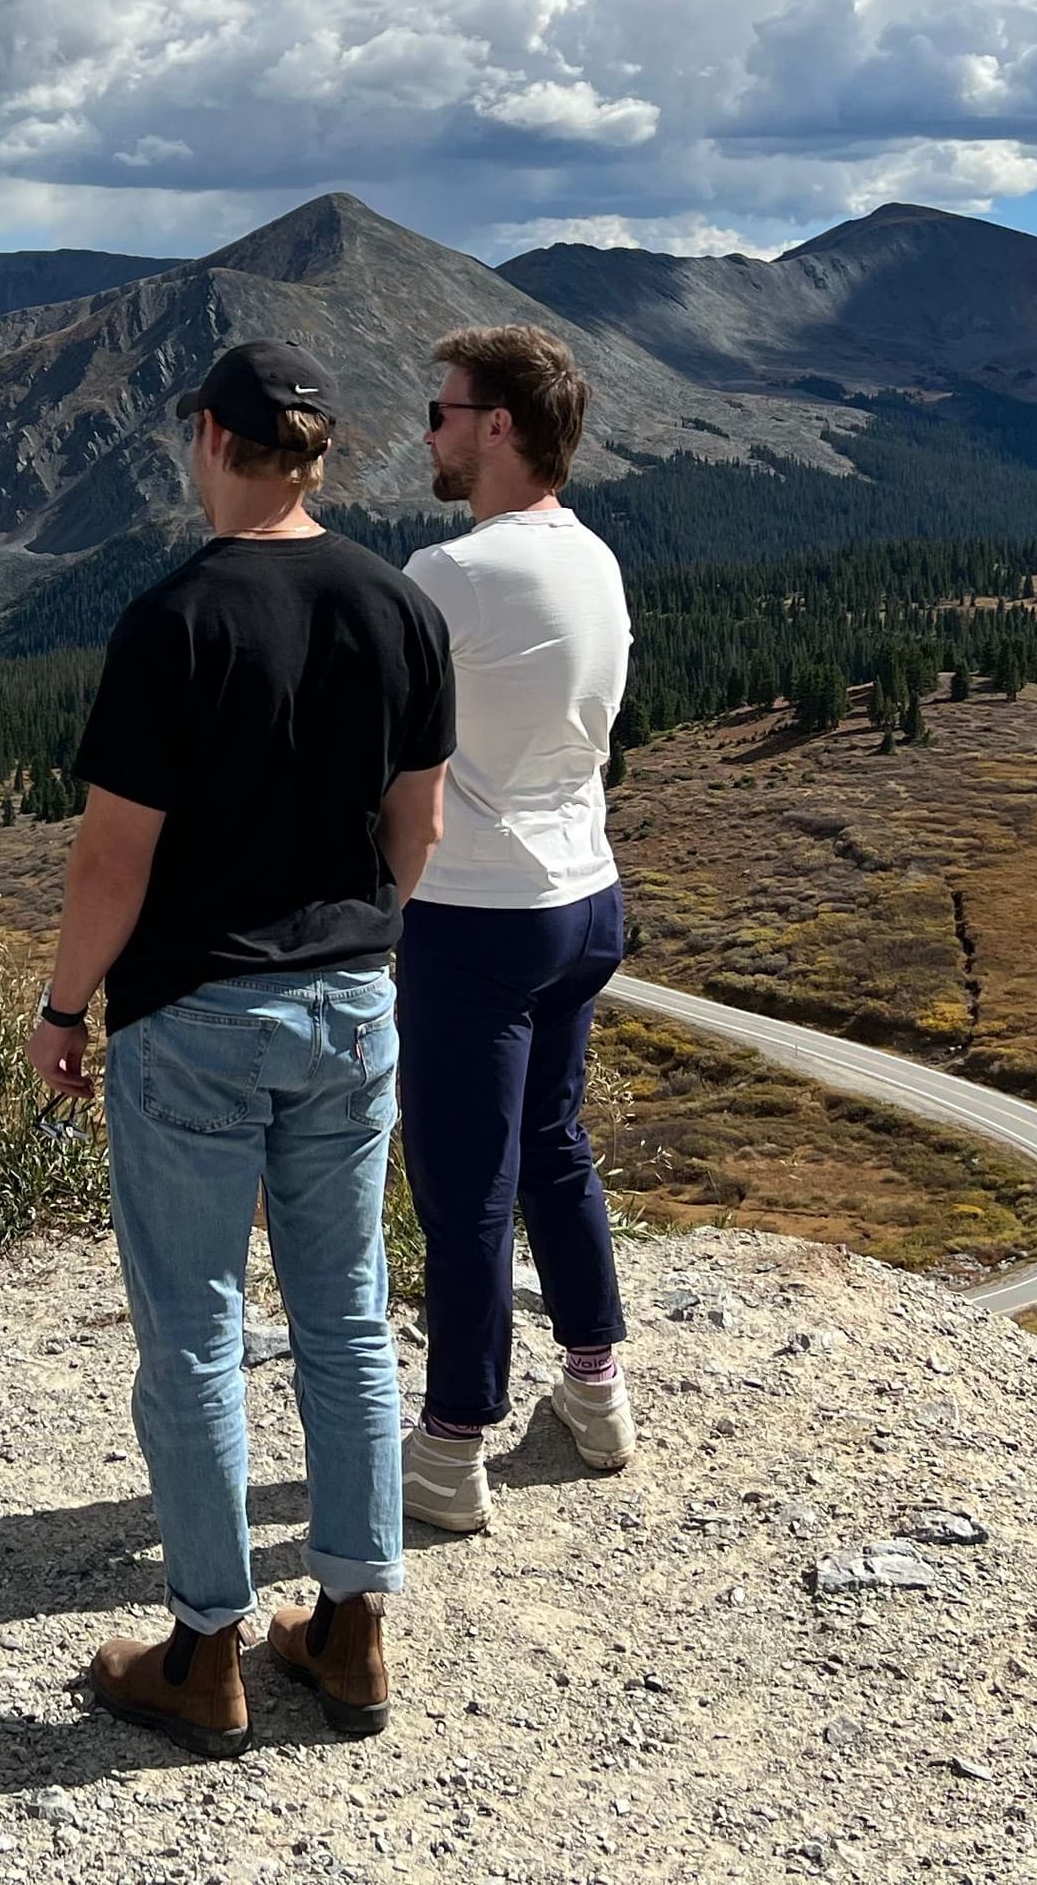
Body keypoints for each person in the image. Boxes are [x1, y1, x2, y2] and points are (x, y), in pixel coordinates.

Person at [30, 340, 455, 1758]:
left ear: (212, 439)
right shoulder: (399, 604)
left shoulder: (176, 619)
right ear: (319, 453)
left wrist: (63, 1007)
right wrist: (353, 933)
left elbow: (111, 861)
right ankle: (351, 1631)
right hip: (353, 1001)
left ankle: (204, 1648)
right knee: (345, 1318)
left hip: (198, 1016)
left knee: (197, 1334)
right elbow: (419, 830)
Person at [397, 323, 637, 1536]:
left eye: (443, 411)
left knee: (465, 1190)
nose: (428, 431)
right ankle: (596, 1394)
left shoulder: (455, 576)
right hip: (585, 895)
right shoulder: (595, 558)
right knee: (553, 1144)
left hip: (475, 917)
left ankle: (449, 1452)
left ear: (497, 428)